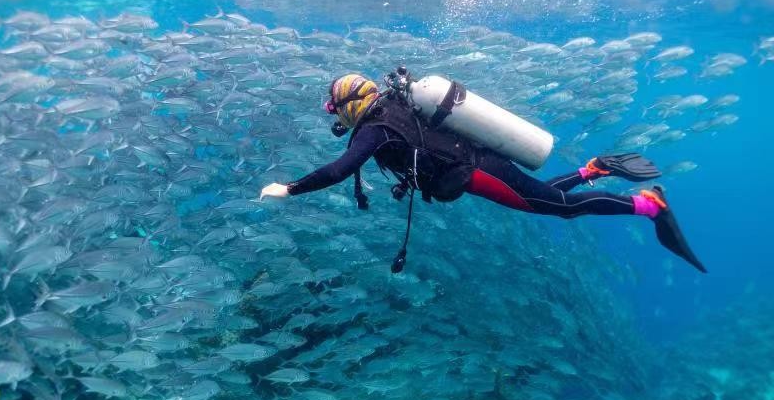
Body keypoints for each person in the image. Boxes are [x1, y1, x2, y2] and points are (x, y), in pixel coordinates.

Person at [260, 73, 706, 273]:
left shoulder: (375, 130)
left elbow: (341, 169)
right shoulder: (395, 108)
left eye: (336, 108)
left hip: (476, 172)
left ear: (350, 105)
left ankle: (648, 205)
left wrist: (291, 188)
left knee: (560, 209)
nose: (337, 117)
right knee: (542, 196)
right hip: (478, 167)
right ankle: (591, 171)